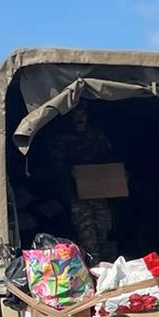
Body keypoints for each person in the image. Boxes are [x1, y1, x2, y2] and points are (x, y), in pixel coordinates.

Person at [45, 101, 117, 259]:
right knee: (87, 235)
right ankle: (93, 268)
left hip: (99, 193)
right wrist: (70, 172)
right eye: (75, 114)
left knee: (103, 231)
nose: (79, 117)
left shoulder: (97, 136)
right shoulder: (61, 139)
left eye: (82, 113)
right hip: (76, 195)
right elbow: (56, 166)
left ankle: (104, 267)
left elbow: (110, 160)